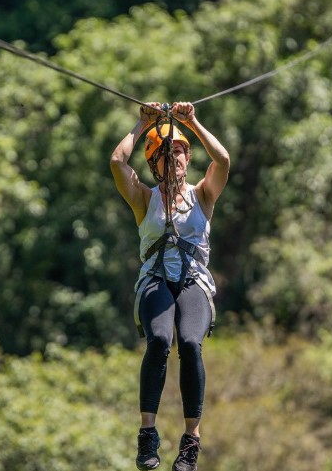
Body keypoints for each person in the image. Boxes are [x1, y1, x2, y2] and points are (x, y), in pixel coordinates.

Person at [110, 101, 230, 471]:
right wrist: (141, 124)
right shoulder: (143, 199)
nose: (174, 159)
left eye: (179, 152)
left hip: (193, 281)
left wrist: (191, 122)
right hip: (155, 281)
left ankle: (191, 439)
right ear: (153, 163)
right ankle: (148, 434)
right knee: (160, 340)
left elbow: (223, 160)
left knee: (190, 344)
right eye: (165, 154)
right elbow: (117, 162)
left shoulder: (203, 195)